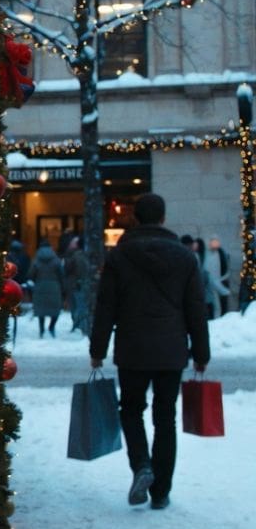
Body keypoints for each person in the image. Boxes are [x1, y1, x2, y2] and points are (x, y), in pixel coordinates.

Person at [91, 193, 210, 511]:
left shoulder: (120, 256)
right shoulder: (185, 258)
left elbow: (106, 306)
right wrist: (201, 352)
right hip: (171, 349)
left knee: (131, 410)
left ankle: (141, 465)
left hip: (132, 347)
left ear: (136, 218)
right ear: (162, 218)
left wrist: (97, 348)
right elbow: (195, 309)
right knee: (165, 417)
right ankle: (160, 491)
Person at [28, 240, 64, 337]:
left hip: (40, 286)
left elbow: (31, 274)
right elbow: (61, 275)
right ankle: (51, 327)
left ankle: (41, 330)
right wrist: (62, 287)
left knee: (41, 310)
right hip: (54, 287)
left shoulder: (36, 260)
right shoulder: (56, 260)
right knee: (55, 310)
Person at [62, 236, 91, 335]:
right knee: (77, 305)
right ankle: (78, 325)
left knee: (77, 306)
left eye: (73, 243)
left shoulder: (76, 256)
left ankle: (78, 325)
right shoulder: (78, 255)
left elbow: (75, 270)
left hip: (76, 285)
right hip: (76, 284)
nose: (70, 244)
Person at [205, 236, 231, 317]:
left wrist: (222, 278)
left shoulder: (221, 253)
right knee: (213, 303)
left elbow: (226, 268)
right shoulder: (206, 254)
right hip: (209, 283)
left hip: (219, 281)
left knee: (218, 305)